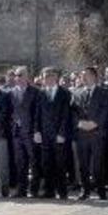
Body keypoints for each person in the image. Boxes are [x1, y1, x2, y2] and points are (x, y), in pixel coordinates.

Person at [73, 65, 108, 200]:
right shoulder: (77, 93)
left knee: (98, 164)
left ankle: (101, 189)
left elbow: (106, 111)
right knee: (83, 164)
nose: (84, 78)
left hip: (97, 133)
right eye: (82, 75)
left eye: (87, 75)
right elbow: (72, 112)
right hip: (82, 134)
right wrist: (79, 123)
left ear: (94, 77)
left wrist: (95, 123)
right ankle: (85, 190)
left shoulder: (103, 93)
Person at [37, 66, 72, 198]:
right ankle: (49, 191)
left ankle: (62, 191)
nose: (47, 79)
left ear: (56, 77)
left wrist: (62, 133)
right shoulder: (41, 93)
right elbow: (37, 114)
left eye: (50, 76)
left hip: (59, 135)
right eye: (45, 76)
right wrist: (37, 131)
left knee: (60, 164)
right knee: (46, 164)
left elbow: (66, 115)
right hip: (45, 134)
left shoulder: (64, 93)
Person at [10, 66, 42, 197]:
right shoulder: (12, 92)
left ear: (27, 77)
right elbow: (10, 111)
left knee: (34, 162)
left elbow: (37, 114)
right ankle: (21, 189)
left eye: (20, 75)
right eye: (16, 75)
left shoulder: (35, 92)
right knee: (20, 162)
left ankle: (34, 189)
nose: (17, 78)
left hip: (30, 132)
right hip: (17, 133)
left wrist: (36, 131)